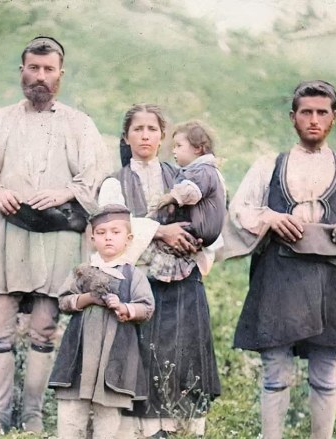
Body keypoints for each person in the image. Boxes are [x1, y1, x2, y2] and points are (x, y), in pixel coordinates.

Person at [0, 36, 109, 435]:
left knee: (43, 327)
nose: (40, 76)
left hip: (57, 235)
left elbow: (97, 175)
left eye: (48, 69)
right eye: (33, 68)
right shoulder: (0, 119)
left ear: (61, 74)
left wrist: (66, 191)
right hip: (8, 231)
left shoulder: (79, 123)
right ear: (22, 70)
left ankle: (32, 415)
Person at [222, 80, 336, 439]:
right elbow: (240, 208)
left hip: (332, 278)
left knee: (325, 373)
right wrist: (269, 217)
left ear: (334, 118)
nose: (314, 119)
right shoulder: (270, 165)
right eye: (306, 112)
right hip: (280, 273)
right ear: (292, 117)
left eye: (322, 112)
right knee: (275, 371)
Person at [98, 104, 223, 438]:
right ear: (126, 136)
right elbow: (110, 227)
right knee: (144, 351)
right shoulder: (115, 182)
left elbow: (211, 215)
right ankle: (145, 428)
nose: (145, 136)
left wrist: (196, 243)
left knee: (184, 347)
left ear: (162, 136)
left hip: (182, 276)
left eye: (152, 129)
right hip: (139, 278)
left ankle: (182, 424)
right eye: (137, 129)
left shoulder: (184, 175)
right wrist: (159, 231)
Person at [49, 204, 154, 439]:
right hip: (80, 354)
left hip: (114, 355)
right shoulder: (82, 271)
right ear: (92, 238)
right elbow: (63, 300)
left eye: (115, 232)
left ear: (128, 239)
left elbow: (147, 307)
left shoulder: (133, 275)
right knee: (71, 409)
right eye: (101, 232)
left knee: (109, 412)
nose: (108, 238)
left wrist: (124, 308)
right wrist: (87, 298)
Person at [142, 120, 226, 282]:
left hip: (195, 228)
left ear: (197, 148)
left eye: (178, 146)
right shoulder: (206, 171)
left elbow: (191, 191)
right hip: (200, 232)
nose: (174, 151)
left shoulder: (203, 170)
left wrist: (170, 197)